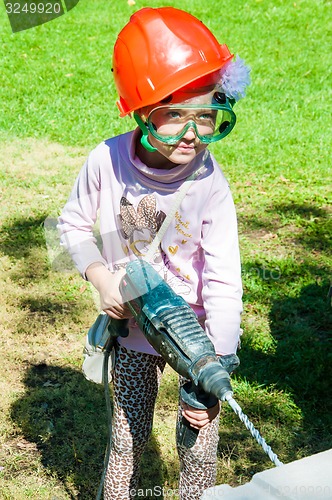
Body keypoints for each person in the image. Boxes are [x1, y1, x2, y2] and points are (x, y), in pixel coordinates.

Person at [58, 7, 250, 499]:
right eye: (175, 117)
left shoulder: (211, 183)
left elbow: (225, 280)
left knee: (198, 448)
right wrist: (102, 280)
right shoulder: (106, 161)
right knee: (126, 439)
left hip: (198, 338)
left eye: (207, 116)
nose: (192, 133)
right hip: (134, 332)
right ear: (142, 111)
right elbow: (74, 225)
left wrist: (216, 363)